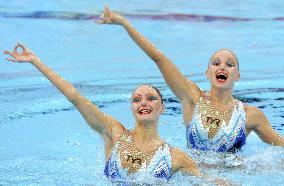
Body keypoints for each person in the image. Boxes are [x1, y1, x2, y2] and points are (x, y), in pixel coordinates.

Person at [3, 43, 225, 185]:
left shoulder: (176, 157)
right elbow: (75, 97)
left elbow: (206, 181)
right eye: (136, 100)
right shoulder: (113, 133)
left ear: (162, 108)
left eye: (151, 98)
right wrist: (36, 62)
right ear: (131, 108)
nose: (143, 103)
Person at [97, 6, 284, 153]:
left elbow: (280, 146)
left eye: (229, 64)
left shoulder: (251, 115)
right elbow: (159, 58)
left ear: (237, 75)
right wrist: (123, 23)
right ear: (207, 73)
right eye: (216, 63)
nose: (222, 67)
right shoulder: (192, 98)